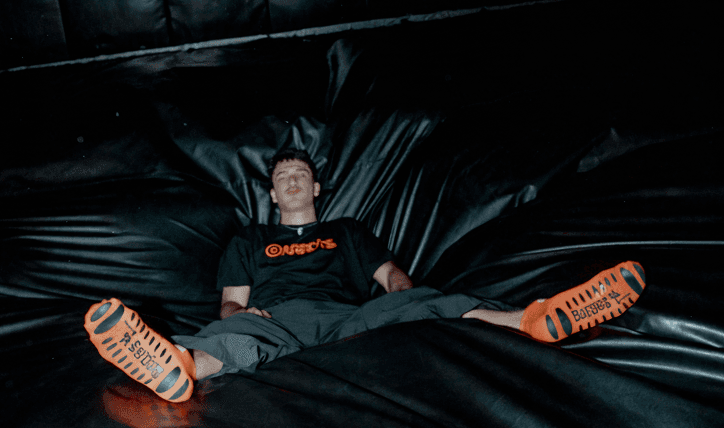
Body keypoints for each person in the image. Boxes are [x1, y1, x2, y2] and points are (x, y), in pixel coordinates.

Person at [84, 148, 647, 403]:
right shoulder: (249, 239)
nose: (292, 181)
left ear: (315, 187)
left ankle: (533, 319)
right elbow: (231, 303)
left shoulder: (349, 231)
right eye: (282, 176)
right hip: (278, 319)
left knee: (425, 300)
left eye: (300, 173)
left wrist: (412, 303)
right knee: (236, 335)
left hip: (353, 318)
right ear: (273, 193)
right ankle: (179, 367)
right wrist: (241, 314)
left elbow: (394, 280)